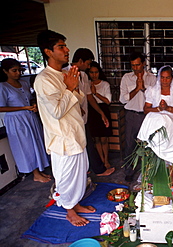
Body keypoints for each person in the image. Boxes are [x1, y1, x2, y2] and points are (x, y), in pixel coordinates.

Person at [34, 30, 95, 226]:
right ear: (48, 52)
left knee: (80, 174)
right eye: (61, 47)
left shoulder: (64, 74)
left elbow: (77, 100)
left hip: (75, 135)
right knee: (66, 178)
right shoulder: (44, 79)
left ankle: (74, 204)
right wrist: (70, 88)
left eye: (65, 45)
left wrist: (73, 88)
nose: (67, 50)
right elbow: (57, 111)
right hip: (62, 140)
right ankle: (69, 211)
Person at [0, 58, 51, 183]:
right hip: (16, 120)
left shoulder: (24, 83)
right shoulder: (3, 86)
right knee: (26, 146)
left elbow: (31, 97)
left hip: (30, 117)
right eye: (14, 71)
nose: (18, 73)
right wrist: (23, 107)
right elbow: (1, 107)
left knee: (36, 142)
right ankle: (35, 173)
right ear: (5, 71)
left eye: (19, 70)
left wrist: (33, 105)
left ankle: (40, 170)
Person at [65, 48, 114, 177]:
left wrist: (101, 113)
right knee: (82, 145)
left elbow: (89, 97)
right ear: (80, 61)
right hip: (71, 119)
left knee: (86, 143)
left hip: (84, 118)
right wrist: (77, 108)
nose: (88, 66)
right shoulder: (65, 74)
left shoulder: (84, 76)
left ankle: (91, 169)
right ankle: (95, 170)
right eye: (88, 63)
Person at [119, 52, 156, 182]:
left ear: (143, 63)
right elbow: (122, 99)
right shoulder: (126, 78)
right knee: (130, 145)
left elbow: (155, 98)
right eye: (133, 65)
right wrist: (136, 88)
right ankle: (129, 171)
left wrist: (143, 88)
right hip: (132, 115)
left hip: (148, 116)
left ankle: (149, 171)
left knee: (149, 144)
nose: (135, 68)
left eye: (138, 65)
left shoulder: (152, 78)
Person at [87, 61, 113, 168]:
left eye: (96, 72)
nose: (94, 75)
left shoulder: (105, 84)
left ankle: (106, 160)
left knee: (104, 138)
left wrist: (95, 93)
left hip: (103, 109)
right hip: (92, 111)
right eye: (91, 72)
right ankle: (101, 160)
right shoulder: (86, 83)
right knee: (96, 138)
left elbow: (108, 101)